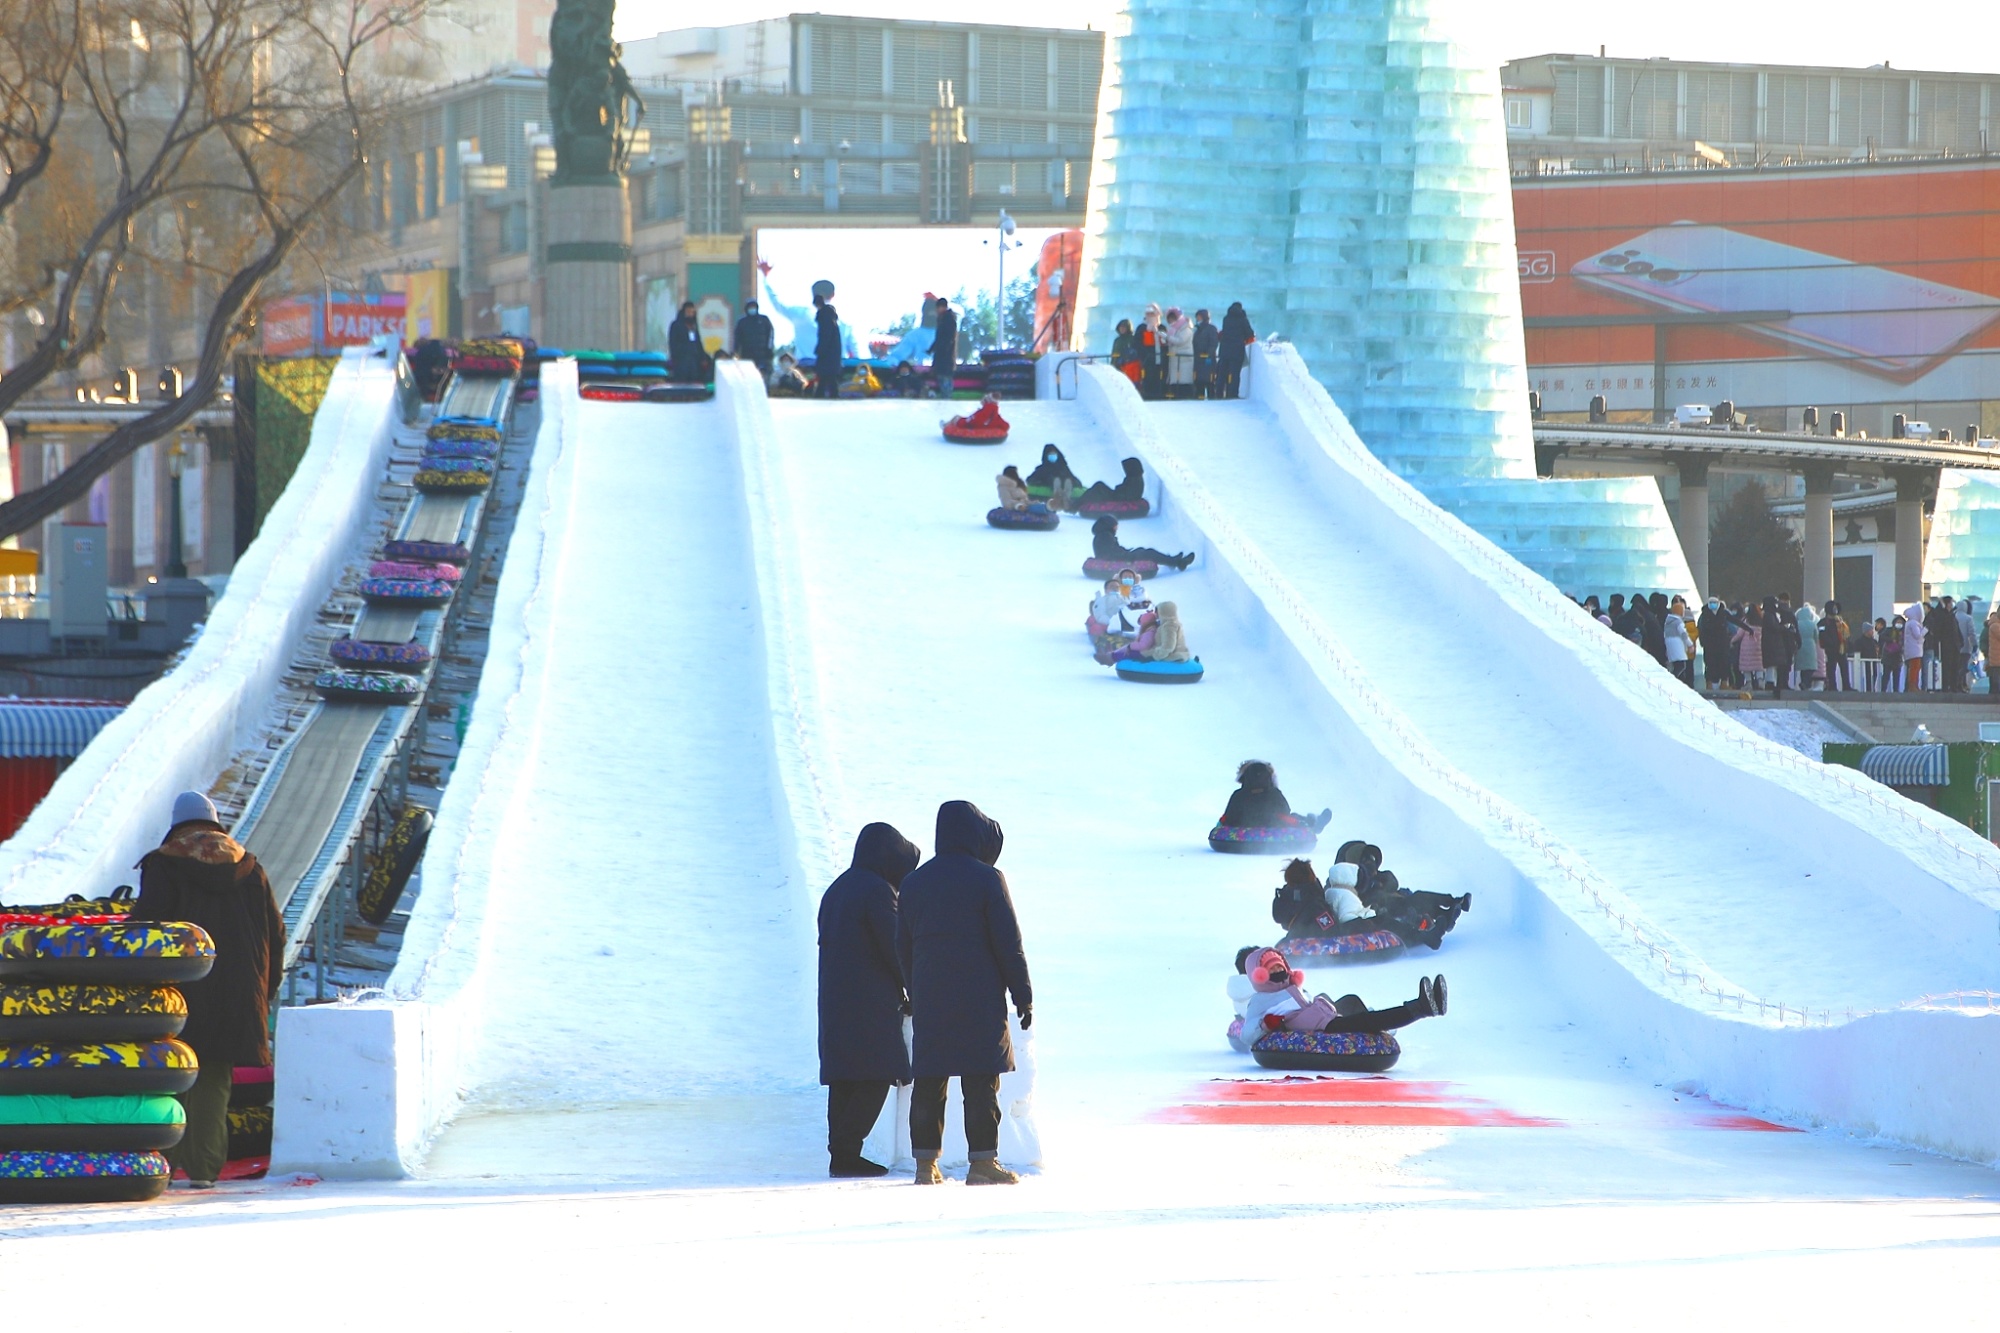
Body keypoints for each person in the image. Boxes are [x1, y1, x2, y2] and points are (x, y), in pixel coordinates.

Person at [130, 791, 284, 1190]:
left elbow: (148, 927)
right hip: (238, 991)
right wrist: (264, 990)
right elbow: (277, 934)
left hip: (178, 994)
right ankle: (205, 1172)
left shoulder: (165, 863)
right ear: (215, 823)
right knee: (214, 1082)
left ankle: (164, 1168)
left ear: (178, 823)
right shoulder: (250, 868)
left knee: (169, 1078)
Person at [896, 800, 1032, 1186]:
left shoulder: (914, 882)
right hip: (980, 997)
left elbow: (901, 945)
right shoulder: (987, 879)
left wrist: (915, 986)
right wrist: (1023, 994)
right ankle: (983, 1164)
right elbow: (1009, 943)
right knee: (981, 1083)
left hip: (932, 996)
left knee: (929, 1082)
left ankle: (925, 1167)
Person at [817, 822, 920, 1178]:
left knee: (845, 1076)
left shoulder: (837, 889)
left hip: (835, 998)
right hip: (869, 1001)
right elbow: (895, 948)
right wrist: (914, 990)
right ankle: (848, 1151)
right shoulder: (877, 891)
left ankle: (840, 1154)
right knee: (879, 1072)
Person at [1236, 946, 1445, 1037]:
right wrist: (1266, 1024)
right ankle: (1421, 1008)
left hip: (1323, 1018)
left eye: (1280, 967)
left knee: (1351, 1001)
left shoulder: (1293, 988)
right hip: (1319, 1029)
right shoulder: (1260, 1000)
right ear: (1260, 975)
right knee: (1365, 1020)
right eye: (1271, 969)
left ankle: (1429, 1004)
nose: (1278, 971)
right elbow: (1247, 1034)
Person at [1220, 760, 1330, 832]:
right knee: (1292, 817)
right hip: (1273, 825)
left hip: (1242, 826)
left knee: (1287, 817)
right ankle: (1312, 824)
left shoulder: (1238, 795)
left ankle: (1313, 823)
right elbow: (1285, 810)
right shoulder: (1274, 794)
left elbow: (1229, 815)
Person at [1091, 515, 1192, 571]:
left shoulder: (1102, 535)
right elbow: (1110, 554)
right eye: (1115, 526)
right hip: (1120, 558)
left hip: (1120, 556)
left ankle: (1172, 560)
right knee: (1149, 553)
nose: (1116, 528)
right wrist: (1126, 554)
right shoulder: (1105, 536)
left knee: (1144, 551)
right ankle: (1178, 562)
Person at [1073, 458, 1146, 509]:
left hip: (1117, 498)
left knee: (1099, 487)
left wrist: (1118, 489)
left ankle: (1075, 505)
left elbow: (1128, 495)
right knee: (1098, 487)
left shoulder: (1135, 480)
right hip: (1118, 496)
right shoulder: (1134, 477)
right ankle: (1078, 502)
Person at [1026, 443, 1082, 510]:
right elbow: (1030, 479)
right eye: (1050, 455)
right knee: (1055, 480)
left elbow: (1072, 477)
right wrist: (1040, 482)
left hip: (1065, 484)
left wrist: (1077, 482)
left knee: (1068, 481)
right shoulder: (1043, 468)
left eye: (1054, 454)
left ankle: (1065, 498)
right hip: (1052, 485)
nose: (1052, 456)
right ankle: (1058, 497)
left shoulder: (1063, 467)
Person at [1217, 302, 1254, 398]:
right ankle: (1232, 394)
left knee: (1222, 373)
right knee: (1235, 373)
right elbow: (1249, 333)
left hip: (1224, 349)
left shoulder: (1226, 319)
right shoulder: (1243, 319)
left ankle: (1219, 394)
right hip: (1237, 350)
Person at [734, 300, 776, 384]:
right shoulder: (742, 322)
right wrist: (736, 351)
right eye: (750, 307)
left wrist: (769, 349)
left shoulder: (764, 320)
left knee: (763, 376)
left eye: (754, 307)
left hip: (763, 355)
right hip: (747, 355)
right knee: (748, 377)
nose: (752, 309)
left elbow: (770, 334)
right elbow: (737, 338)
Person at [1697, 596, 1735, 689]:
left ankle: (1721, 683)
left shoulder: (1722, 614)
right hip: (1711, 645)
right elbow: (1700, 629)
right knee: (1712, 664)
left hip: (1720, 644)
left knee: (1721, 664)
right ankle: (1713, 684)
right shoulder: (1704, 615)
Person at [813, 287, 844, 399]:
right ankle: (826, 396)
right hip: (834, 354)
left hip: (826, 353)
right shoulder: (831, 318)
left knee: (826, 377)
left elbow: (824, 336)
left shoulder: (823, 316)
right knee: (829, 378)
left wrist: (819, 350)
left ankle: (822, 396)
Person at [667, 300, 706, 383]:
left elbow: (698, 342)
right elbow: (672, 343)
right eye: (688, 312)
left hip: (694, 361)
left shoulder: (694, 326)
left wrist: (702, 357)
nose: (690, 314)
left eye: (692, 312)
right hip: (681, 360)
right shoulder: (676, 325)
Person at [1162, 307, 1195, 398]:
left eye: (1172, 319)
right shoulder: (1174, 330)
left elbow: (1180, 341)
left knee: (1183, 380)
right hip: (1175, 359)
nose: (1170, 321)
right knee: (1176, 380)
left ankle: (1185, 396)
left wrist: (1167, 337)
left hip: (1184, 359)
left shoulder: (1186, 329)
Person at [930, 297, 959, 400]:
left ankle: (947, 400)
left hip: (946, 356)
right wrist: (931, 349)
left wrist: (943, 349)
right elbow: (938, 339)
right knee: (942, 378)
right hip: (941, 355)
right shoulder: (942, 319)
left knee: (946, 380)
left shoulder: (949, 319)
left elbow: (948, 338)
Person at [1663, 595, 1694, 685]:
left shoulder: (1668, 621)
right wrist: (1690, 645)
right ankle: (1674, 679)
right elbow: (1684, 634)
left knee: (1676, 664)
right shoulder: (1678, 621)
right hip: (1677, 644)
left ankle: (1676, 679)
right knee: (1681, 665)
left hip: (1669, 643)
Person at [1820, 601, 1850, 691]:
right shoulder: (1823, 622)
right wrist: (1830, 643)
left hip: (1841, 648)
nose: (1835, 610)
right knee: (1831, 669)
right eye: (1833, 608)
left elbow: (1846, 634)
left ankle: (1847, 686)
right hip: (1830, 649)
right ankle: (1832, 687)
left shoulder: (1840, 622)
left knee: (1844, 668)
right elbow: (1822, 635)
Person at [1191, 309, 1219, 399]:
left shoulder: (1211, 329)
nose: (1197, 319)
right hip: (1198, 359)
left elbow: (1213, 343)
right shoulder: (1198, 330)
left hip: (1208, 359)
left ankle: (1211, 398)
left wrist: (1208, 354)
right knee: (1199, 381)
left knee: (1209, 380)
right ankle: (1199, 397)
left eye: (1198, 317)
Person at [1793, 598, 1820, 691]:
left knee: (1803, 667)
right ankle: (1805, 683)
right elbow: (1816, 636)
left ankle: (1803, 682)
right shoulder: (1812, 624)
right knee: (1810, 667)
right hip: (1810, 646)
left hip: (1800, 647)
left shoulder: (1797, 624)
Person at [1137, 304, 1163, 400]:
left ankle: (1158, 396)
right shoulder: (1142, 328)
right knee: (1147, 378)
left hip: (1160, 358)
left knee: (1158, 378)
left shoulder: (1161, 327)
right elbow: (1138, 343)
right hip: (1147, 359)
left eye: (1152, 314)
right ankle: (1148, 396)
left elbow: (1165, 342)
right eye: (1148, 314)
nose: (1150, 316)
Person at [1902, 603, 1928, 691]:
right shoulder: (1913, 623)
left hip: (1912, 650)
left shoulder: (1909, 622)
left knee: (1914, 668)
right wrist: (1925, 630)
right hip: (1915, 650)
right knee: (1915, 668)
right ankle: (1913, 686)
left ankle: (1913, 685)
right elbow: (1917, 635)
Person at [1110, 318, 1142, 387]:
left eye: (1124, 327)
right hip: (1117, 365)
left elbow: (1135, 352)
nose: (1122, 329)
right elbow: (1114, 352)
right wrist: (1112, 364)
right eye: (1121, 327)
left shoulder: (1132, 339)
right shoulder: (1117, 340)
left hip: (1128, 365)